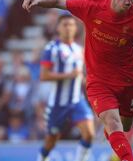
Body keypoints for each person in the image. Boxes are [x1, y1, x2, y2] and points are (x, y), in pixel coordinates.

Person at [23, 0, 133, 161]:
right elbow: (57, 2)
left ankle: (113, 137)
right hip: (98, 82)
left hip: (126, 81)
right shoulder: (91, 6)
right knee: (113, 123)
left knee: (124, 127)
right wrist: (37, 1)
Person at [37, 15, 95, 161]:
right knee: (52, 140)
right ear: (58, 28)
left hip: (77, 100)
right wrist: (68, 75)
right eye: (64, 25)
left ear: (76, 28)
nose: (68, 28)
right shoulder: (51, 48)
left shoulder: (79, 50)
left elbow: (80, 75)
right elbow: (44, 76)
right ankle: (42, 157)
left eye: (71, 25)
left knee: (89, 134)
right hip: (58, 103)